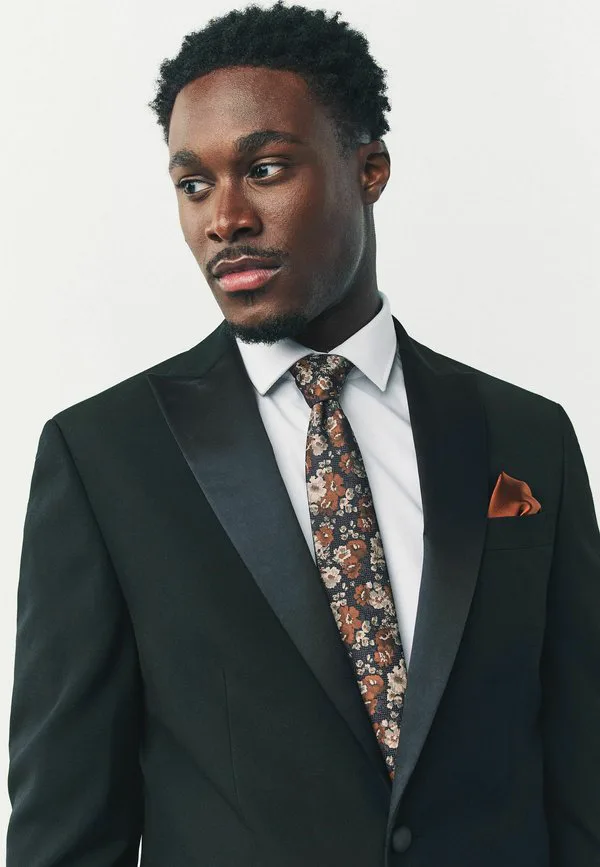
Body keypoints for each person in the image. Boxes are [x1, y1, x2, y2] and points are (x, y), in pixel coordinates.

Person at [6, 2, 600, 865]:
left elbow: (583, 779)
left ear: (370, 169)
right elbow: (66, 825)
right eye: (194, 184)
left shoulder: (527, 435)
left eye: (266, 169)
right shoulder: (103, 459)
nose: (226, 218)